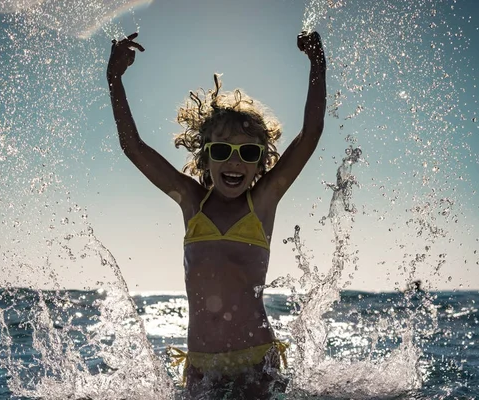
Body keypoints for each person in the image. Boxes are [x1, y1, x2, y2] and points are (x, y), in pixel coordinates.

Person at [107, 30, 326, 399]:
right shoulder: (192, 202)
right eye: (222, 150)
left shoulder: (264, 201)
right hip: (201, 369)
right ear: (205, 158)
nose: (235, 161)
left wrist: (318, 65)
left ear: (261, 164)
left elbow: (310, 133)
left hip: (257, 363)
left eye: (248, 154)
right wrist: (114, 80)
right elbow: (132, 146)